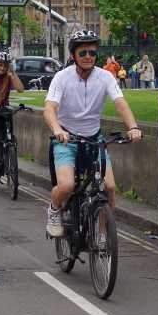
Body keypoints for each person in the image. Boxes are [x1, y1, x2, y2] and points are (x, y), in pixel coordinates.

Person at [44, 30, 143, 237]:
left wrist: (133, 127)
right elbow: (50, 109)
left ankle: (102, 235)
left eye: (92, 52)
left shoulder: (105, 76)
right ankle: (54, 209)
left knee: (109, 187)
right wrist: (57, 130)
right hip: (67, 140)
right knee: (67, 185)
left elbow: (120, 103)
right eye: (83, 53)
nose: (88, 56)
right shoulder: (62, 77)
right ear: (73, 56)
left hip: (94, 139)